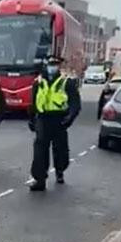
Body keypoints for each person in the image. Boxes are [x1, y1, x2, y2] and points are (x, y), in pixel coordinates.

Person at [28, 55, 81, 191]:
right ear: (46, 65)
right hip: (43, 119)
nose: (53, 67)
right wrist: (31, 118)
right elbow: (33, 102)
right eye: (51, 64)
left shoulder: (66, 82)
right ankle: (40, 180)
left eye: (55, 64)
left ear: (59, 66)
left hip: (59, 120)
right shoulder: (38, 82)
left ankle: (60, 171)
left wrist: (69, 118)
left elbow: (75, 103)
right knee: (40, 150)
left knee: (60, 149)